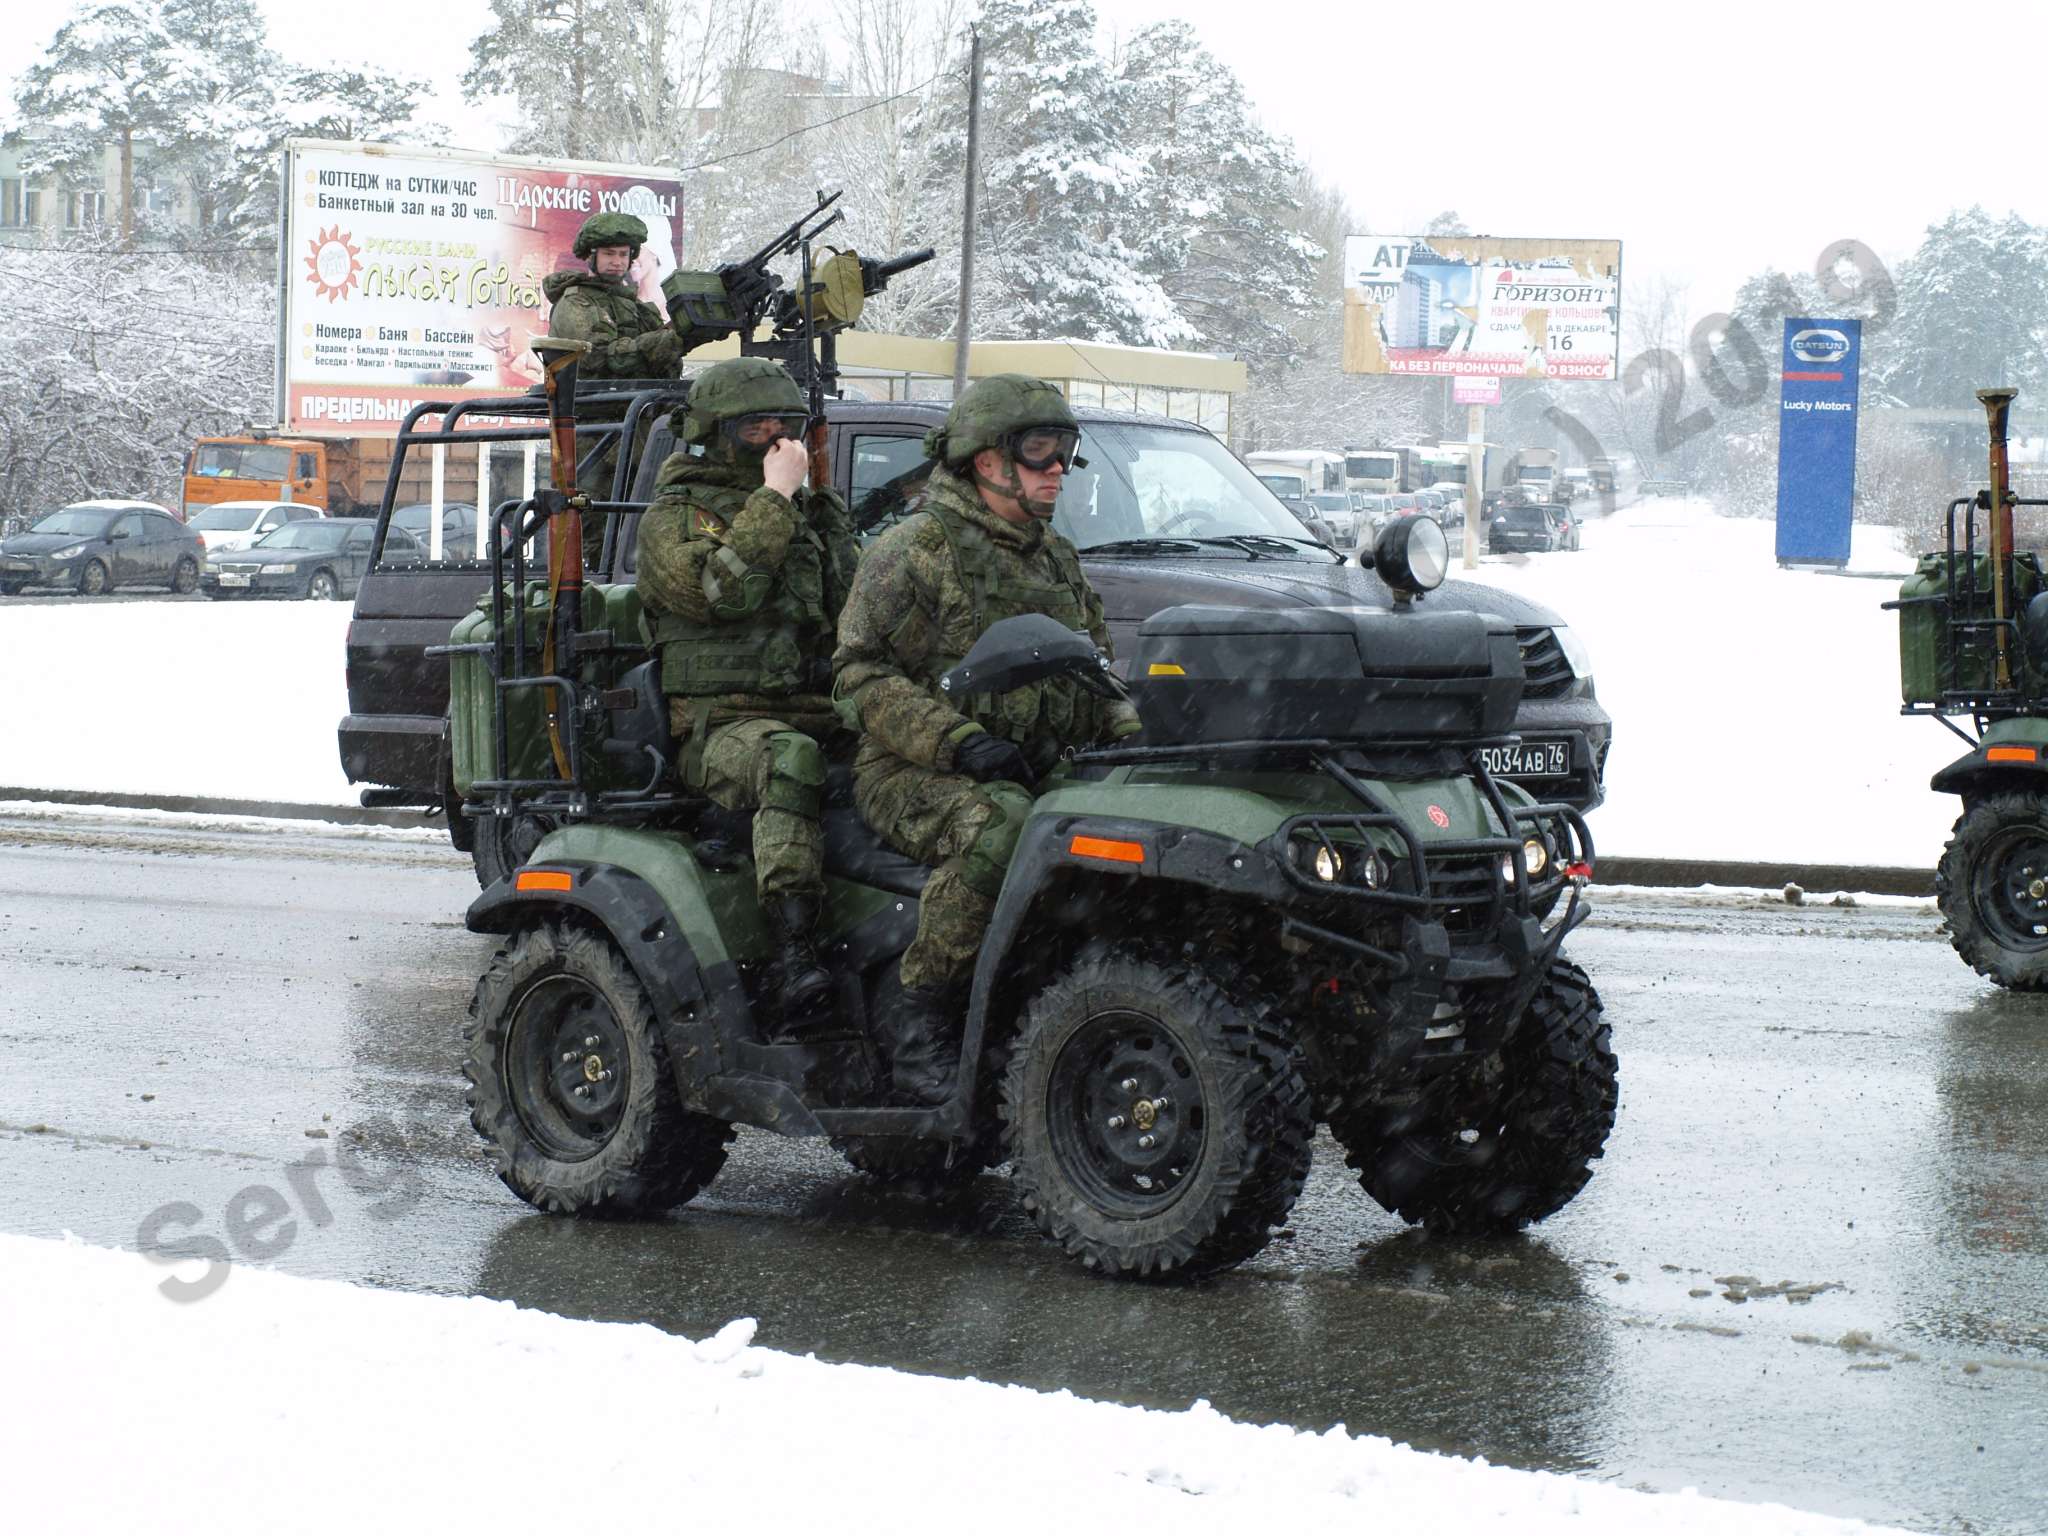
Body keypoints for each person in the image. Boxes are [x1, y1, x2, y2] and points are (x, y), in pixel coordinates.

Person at [833, 375, 1141, 1104]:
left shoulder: (1054, 559)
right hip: (914, 771)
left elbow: (1097, 672)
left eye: (1066, 452)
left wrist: (1133, 740)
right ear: (986, 461)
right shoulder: (916, 549)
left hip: (1039, 763)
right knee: (997, 830)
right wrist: (958, 741)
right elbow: (857, 675)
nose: (1057, 469)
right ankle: (920, 1013)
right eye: (1040, 452)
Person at [635, 357, 859, 1029]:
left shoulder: (802, 513)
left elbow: (856, 612)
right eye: (755, 424)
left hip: (815, 706)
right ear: (714, 431)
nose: (773, 436)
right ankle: (793, 952)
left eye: (783, 423)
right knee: (787, 758)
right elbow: (720, 592)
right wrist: (774, 501)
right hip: (719, 727)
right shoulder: (673, 520)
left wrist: (827, 520)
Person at [541, 212, 684, 522]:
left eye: (624, 254)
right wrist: (665, 340)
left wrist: (684, 332)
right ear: (590, 256)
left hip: (634, 433)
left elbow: (662, 357)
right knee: (594, 526)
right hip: (595, 437)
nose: (617, 261)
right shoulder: (575, 302)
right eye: (609, 254)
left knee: (636, 522)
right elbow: (600, 356)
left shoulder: (634, 306)